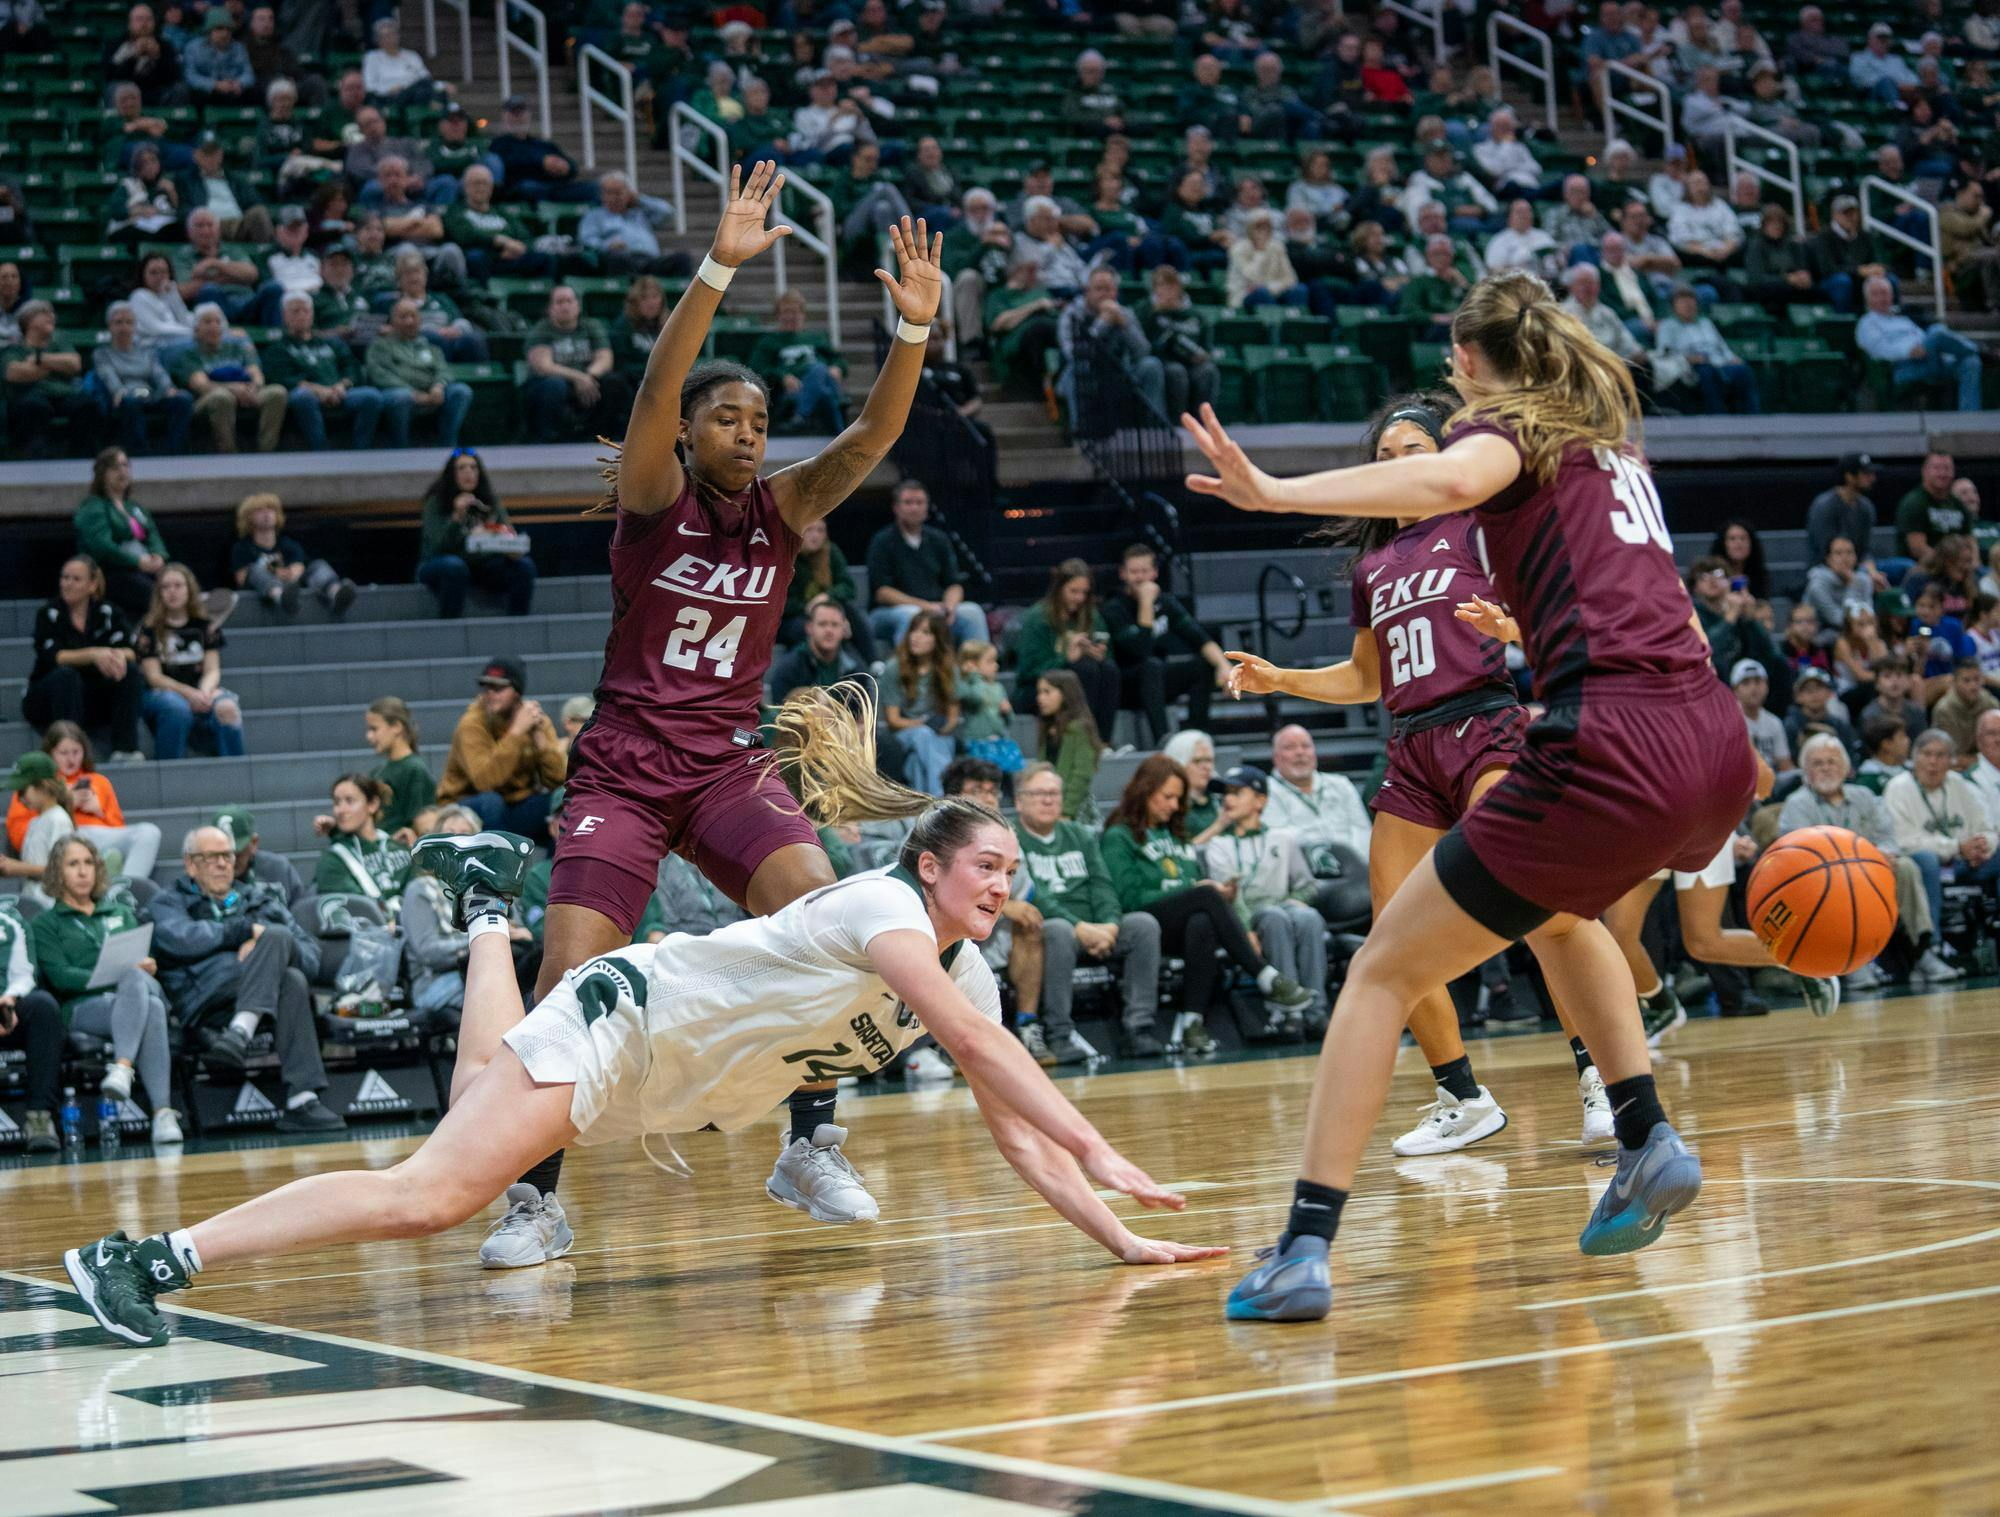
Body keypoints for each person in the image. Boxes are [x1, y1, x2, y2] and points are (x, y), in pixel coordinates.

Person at [62, 739, 1224, 1349]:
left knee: (475, 1092)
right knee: (431, 1194)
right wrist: (1105, 1141)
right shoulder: (881, 909)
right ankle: (146, 1260)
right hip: (623, 1019)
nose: (999, 885)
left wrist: (1113, 1230)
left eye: (1009, 874)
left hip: (657, 1087)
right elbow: (978, 1048)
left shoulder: (959, 961)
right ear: (928, 865)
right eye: (985, 866)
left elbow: (1011, 1121)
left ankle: (482, 908)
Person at [1183, 269, 1758, 1321]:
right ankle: (1642, 1134)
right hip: (1709, 738)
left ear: (1469, 365)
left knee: (1378, 971)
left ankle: (1303, 1247)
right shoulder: (1614, 455)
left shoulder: (1506, 436)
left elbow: (1455, 481)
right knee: (1550, 913)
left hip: (1601, 740)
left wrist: (1273, 491)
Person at [516, 168, 946, 1260]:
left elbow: (872, 433)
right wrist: (716, 266)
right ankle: (534, 1195)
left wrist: (911, 328)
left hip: (724, 765)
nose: (747, 433)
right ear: (690, 434)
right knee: (566, 975)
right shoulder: (653, 503)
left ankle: (808, 1143)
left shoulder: (785, 508)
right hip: (621, 767)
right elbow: (656, 384)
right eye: (726, 418)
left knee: (834, 921)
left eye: (757, 419)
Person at [1224, 393, 1608, 1154]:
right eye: (1385, 456)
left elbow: (1566, 622)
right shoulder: (1372, 566)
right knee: (1390, 934)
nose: (1397, 465)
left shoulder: (1481, 529)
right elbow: (1367, 677)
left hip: (1487, 726)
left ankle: (1601, 1076)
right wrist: (1282, 679)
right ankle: (1461, 1096)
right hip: (1411, 743)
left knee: (1535, 904)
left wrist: (1518, 632)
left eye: (1413, 451)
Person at [1100, 755, 1316, 1057]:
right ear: (1145, 791)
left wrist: (1208, 892)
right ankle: (1266, 975)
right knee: (1205, 897)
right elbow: (1128, 898)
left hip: (1177, 924)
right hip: (1140, 924)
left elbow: (1193, 881)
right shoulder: (1118, 836)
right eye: (1168, 797)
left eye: (1178, 798)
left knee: (1203, 920)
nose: (1175, 806)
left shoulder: (1174, 833)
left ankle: (1192, 1022)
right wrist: (1192, 891)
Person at [28, 833, 183, 1144]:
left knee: (144, 995)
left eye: (88, 863)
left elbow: (137, 960)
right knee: (136, 984)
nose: (83, 871)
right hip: (82, 1008)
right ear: (58, 872)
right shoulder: (46, 923)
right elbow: (61, 977)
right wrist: (120, 973)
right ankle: (160, 1109)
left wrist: (145, 966)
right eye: (73, 864)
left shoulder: (120, 913)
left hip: (132, 997)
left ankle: (134, 1082)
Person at [1011, 760, 1162, 1065]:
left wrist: (1110, 925)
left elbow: (1102, 884)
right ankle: (1059, 1033)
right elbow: (1033, 894)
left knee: (1144, 925)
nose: (1048, 799)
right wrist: (1079, 926)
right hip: (1058, 931)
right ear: (1018, 801)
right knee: (1056, 929)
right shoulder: (1011, 838)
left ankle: (1138, 1028)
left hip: (1096, 928)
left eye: (1054, 793)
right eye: (1039, 793)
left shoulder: (1079, 834)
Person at [1779, 733, 1946, 991]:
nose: (1825, 768)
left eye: (1831, 762)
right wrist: (1856, 864)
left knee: (1906, 868)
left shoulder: (1865, 796)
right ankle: (1854, 962)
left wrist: (1882, 855)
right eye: (1817, 763)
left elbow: (1889, 839)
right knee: (1838, 883)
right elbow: (1798, 856)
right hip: (1820, 882)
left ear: (1845, 768)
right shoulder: (1796, 805)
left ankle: (1922, 951)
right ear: (1805, 772)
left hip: (1869, 871)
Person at [1203, 765, 1328, 1036]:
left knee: (1309, 917)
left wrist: (1297, 899)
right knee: (1274, 917)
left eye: (1237, 792)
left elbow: (1307, 885)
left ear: (1260, 800)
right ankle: (1287, 1012)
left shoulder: (1283, 838)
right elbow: (1228, 897)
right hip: (1246, 915)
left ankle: (1316, 1011)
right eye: (1226, 793)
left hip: (1283, 907)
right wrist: (1246, 930)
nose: (1228, 799)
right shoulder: (1219, 845)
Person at [1102, 544, 1229, 746]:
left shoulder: (1165, 602)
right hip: (1124, 686)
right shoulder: (1113, 608)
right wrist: (1146, 604)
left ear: (1155, 573)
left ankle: (1196, 737)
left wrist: (1224, 667)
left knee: (1203, 665)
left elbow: (1200, 638)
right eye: (1134, 572)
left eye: (1144, 571)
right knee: (1151, 666)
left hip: (1156, 682)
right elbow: (1140, 649)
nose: (1140, 578)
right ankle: (1165, 741)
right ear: (1122, 574)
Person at [1884, 729, 2000, 948]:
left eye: (1941, 755)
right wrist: (1957, 847)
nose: (1933, 762)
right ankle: (1932, 945)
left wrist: (1983, 846)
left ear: (1951, 761)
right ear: (1914, 758)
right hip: (1928, 865)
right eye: (1927, 754)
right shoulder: (1898, 788)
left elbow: (1988, 828)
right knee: (1925, 859)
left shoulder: (1961, 785)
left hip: (1966, 862)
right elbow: (1903, 840)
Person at [23, 558, 146, 762]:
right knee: (66, 675)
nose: (67, 583)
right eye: (64, 578)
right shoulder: (49, 613)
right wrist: (94, 654)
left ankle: (126, 749)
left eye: (75, 579)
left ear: (92, 585)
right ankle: (68, 751)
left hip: (92, 698)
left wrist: (114, 656)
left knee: (130, 671)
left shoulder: (108, 612)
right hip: (49, 697)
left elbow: (132, 651)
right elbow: (55, 656)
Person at [435, 657, 565, 838]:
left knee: (562, 805)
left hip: (514, 805)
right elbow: (485, 782)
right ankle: (498, 865)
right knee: (491, 802)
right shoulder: (471, 724)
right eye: (486, 687)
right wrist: (516, 733)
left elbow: (558, 780)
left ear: (517, 692)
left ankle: (552, 866)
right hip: (465, 805)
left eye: (499, 688)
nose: (490, 693)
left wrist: (539, 739)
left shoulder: (533, 719)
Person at [133, 562, 245, 760]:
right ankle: (169, 769)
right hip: (162, 693)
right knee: (177, 708)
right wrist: (188, 694)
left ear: (189, 589)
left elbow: (212, 670)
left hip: (200, 689)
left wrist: (203, 693)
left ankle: (235, 771)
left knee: (227, 708)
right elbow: (154, 677)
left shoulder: (205, 625)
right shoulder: (149, 628)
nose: (172, 592)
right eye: (165, 587)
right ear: (158, 593)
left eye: (178, 586)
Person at [865, 477, 989, 649]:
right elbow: (882, 592)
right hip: (889, 613)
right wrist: (926, 607)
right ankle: (909, 673)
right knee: (912, 616)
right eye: (908, 502)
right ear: (896, 508)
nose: (914, 508)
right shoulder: (882, 541)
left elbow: (954, 584)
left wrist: (950, 607)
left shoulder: (939, 539)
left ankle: (978, 671)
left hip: (936, 609)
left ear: (926, 507)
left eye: (919, 502)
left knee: (972, 612)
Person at [263, 292, 394, 452]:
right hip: (308, 393)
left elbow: (351, 367)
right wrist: (319, 390)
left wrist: (342, 386)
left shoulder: (331, 343)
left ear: (312, 314)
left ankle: (362, 450)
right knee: (302, 397)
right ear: (284, 316)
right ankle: (320, 449)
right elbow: (282, 378)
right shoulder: (278, 348)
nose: (302, 315)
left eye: (306, 311)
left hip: (339, 392)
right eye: (295, 311)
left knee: (370, 396)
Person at [416, 449, 536, 618]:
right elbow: (438, 545)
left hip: (481, 564)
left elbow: (509, 534)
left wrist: (510, 546)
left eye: (473, 468)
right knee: (454, 566)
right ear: (452, 474)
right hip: (440, 563)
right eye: (462, 468)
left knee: (524, 566)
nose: (468, 473)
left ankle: (518, 624)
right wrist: (457, 516)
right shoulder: (436, 501)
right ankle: (449, 626)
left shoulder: (490, 501)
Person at [1011, 559, 1119, 743]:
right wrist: (1065, 658)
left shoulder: (1091, 615)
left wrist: (1099, 654)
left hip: (1082, 679)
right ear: (1059, 589)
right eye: (1073, 591)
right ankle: (1083, 741)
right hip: (1037, 689)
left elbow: (1107, 653)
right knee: (1085, 670)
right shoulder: (1038, 618)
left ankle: (1103, 742)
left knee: (1108, 669)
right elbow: (1028, 671)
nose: (1080, 598)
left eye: (1084, 592)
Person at [1856, 276, 1985, 414]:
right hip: (1904, 367)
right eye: (1877, 294)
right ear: (1867, 298)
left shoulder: (1901, 319)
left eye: (1885, 293)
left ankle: (1969, 416)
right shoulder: (1867, 323)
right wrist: (1909, 351)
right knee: (1937, 332)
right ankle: (1979, 350)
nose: (1882, 298)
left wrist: (1926, 349)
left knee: (1970, 362)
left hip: (1930, 359)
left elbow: (1922, 338)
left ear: (1892, 295)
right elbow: (1879, 350)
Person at [523, 285, 630, 443]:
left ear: (578, 306)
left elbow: (605, 358)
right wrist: (578, 377)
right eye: (559, 302)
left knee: (614, 382)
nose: (565, 306)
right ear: (550, 308)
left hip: (587, 380)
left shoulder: (591, 326)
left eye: (569, 301)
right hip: (550, 383)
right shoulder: (542, 329)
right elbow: (543, 366)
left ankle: (601, 434)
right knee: (554, 385)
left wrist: (589, 377)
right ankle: (548, 438)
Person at [0, 895, 64, 1152]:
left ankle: (39, 1118)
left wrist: (9, 1001)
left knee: (43, 1006)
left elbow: (25, 974)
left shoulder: (10, 923)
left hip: (6, 1009)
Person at [73, 446, 167, 619]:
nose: (122, 471)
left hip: (144, 570)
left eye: (125, 465)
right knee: (157, 594)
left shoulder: (134, 507)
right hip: (112, 574)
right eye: (115, 467)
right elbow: (102, 547)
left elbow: (153, 535)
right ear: (102, 473)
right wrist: (137, 562)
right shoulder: (93, 506)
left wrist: (158, 555)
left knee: (175, 582)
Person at [365, 300, 473, 447]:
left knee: (461, 391)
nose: (409, 321)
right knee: (401, 397)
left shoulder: (429, 346)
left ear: (420, 320)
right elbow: (379, 374)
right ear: (392, 321)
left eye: (413, 316)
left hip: (430, 391)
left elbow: (444, 370)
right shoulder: (381, 345)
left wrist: (438, 386)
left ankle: (447, 445)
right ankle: (399, 447)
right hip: (397, 391)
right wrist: (413, 392)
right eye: (403, 317)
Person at [230, 492, 357, 616]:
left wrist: (291, 574)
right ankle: (280, 596)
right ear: (248, 518)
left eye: (270, 509)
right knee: (254, 570)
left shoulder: (287, 543)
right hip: (264, 595)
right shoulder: (242, 548)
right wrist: (276, 575)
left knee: (317, 565)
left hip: (292, 586)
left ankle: (336, 593)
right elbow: (242, 578)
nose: (266, 514)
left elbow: (299, 566)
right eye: (259, 510)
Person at [92, 301, 193, 457]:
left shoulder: (147, 352)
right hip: (125, 398)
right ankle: (140, 454)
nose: (123, 327)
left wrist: (168, 388)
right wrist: (118, 391)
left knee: (183, 399)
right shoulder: (102, 354)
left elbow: (159, 374)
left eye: (128, 322)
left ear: (135, 326)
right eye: (118, 322)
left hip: (150, 395)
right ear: (110, 326)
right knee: (129, 402)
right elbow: (108, 376)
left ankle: (175, 452)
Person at [880, 611, 960, 795]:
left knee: (916, 762)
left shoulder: (949, 670)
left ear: (937, 640)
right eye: (914, 631)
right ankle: (945, 800)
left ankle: (925, 809)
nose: (916, 637)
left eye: (925, 633)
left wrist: (939, 729)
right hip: (905, 734)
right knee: (923, 736)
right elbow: (894, 721)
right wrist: (923, 724)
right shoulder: (895, 668)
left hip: (937, 735)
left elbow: (953, 719)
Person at [780, 517, 874, 660]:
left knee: (851, 613)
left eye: (820, 530)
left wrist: (826, 597)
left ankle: (874, 663)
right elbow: (782, 603)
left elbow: (848, 587)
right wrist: (809, 608)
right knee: (809, 629)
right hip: (793, 617)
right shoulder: (786, 556)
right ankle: (809, 672)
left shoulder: (831, 551)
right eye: (809, 530)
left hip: (827, 610)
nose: (815, 535)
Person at [315, 772, 413, 905]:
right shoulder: (332, 859)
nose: (341, 810)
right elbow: (355, 908)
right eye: (337, 802)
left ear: (372, 804)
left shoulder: (400, 846)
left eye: (350, 801)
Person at [362, 696, 433, 840]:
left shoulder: (414, 769)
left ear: (396, 727)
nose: (368, 736)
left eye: (374, 729)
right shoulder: (377, 772)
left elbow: (419, 821)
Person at [1035, 670, 1103, 821]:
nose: (1040, 698)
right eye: (1039, 692)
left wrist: (1066, 811)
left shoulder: (1079, 728)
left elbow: (1082, 774)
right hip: (1051, 807)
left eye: (1047, 692)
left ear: (1066, 694)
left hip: (1075, 812)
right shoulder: (1048, 728)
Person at [1806, 453, 1883, 575]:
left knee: (1902, 567)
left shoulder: (1866, 507)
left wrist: (1872, 571)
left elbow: (1865, 551)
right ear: (1849, 477)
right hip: (1826, 571)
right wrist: (1861, 575)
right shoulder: (1824, 506)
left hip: (1857, 566)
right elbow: (1826, 552)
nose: (1872, 478)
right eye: (1866, 474)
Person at [1162, 728, 1225, 843]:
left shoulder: (1221, 798)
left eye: (1209, 760)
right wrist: (1219, 826)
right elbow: (1180, 855)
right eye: (1197, 761)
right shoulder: (1170, 806)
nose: (1207, 767)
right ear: (1177, 764)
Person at [1930, 658, 2000, 758]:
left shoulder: (1990, 703)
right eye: (1966, 681)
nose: (1973, 686)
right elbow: (1950, 756)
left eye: (1977, 679)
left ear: (1983, 680)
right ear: (1954, 682)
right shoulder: (1944, 710)